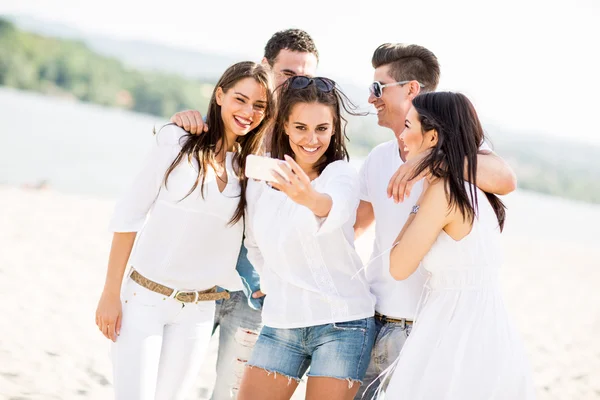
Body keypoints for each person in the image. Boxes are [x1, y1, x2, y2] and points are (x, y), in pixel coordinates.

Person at [94, 61, 274, 400]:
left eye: (259, 106)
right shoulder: (176, 141)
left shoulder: (249, 169)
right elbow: (129, 216)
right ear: (219, 95)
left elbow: (258, 240)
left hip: (198, 310)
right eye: (240, 99)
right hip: (144, 299)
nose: (248, 111)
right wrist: (109, 293)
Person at [353, 43, 518, 400]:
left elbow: (506, 179)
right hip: (374, 318)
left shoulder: (466, 168)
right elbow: (354, 226)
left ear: (411, 89)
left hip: (426, 329)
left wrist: (427, 163)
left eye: (378, 88)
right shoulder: (379, 158)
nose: (370, 98)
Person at [170, 29, 319, 399]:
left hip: (256, 294)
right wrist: (184, 120)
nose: (297, 84)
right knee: (169, 384)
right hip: (196, 283)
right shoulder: (237, 123)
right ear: (266, 67)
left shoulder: (306, 140)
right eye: (288, 74)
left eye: (306, 77)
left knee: (230, 394)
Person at [384, 91, 535, 399]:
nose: (402, 134)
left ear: (432, 137)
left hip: (454, 332)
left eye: (409, 125)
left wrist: (420, 196)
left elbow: (398, 266)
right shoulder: (477, 189)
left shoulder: (445, 192)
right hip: (491, 330)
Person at [237, 76, 376, 400]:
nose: (312, 139)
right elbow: (254, 243)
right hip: (281, 321)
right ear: (284, 126)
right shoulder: (262, 180)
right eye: (300, 127)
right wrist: (270, 281)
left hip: (343, 325)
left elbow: (334, 208)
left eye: (322, 129)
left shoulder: (340, 174)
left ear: (334, 128)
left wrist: (308, 198)